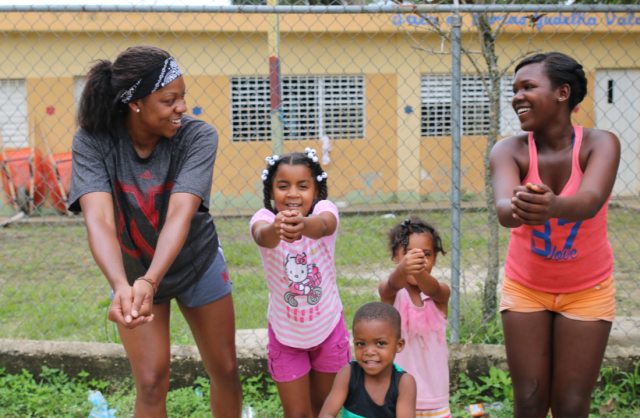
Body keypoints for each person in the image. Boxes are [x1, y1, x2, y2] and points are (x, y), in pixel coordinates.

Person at [69, 46, 242, 418]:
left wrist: (152, 279)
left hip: (197, 261)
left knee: (226, 371)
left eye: (183, 97)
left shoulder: (197, 137)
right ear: (135, 104)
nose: (182, 107)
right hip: (132, 272)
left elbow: (181, 212)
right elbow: (98, 218)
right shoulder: (93, 140)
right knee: (149, 381)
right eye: (169, 99)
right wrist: (122, 285)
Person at [490, 52, 621, 418]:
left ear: (563, 93)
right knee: (529, 401)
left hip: (588, 292)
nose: (517, 96)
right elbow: (503, 210)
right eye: (514, 89)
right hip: (525, 288)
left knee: (571, 405)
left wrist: (552, 207)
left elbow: (591, 201)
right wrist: (517, 206)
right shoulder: (509, 149)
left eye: (528, 87)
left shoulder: (601, 143)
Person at [250, 149, 350, 418]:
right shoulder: (264, 219)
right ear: (271, 192)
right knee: (297, 414)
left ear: (315, 191)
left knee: (325, 409)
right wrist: (277, 229)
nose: (293, 194)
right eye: (283, 186)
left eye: (303, 186)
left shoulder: (325, 211)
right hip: (286, 336)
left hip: (328, 329)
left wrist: (302, 224)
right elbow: (262, 237)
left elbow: (324, 225)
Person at [378, 216, 451, 418]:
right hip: (397, 398)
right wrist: (404, 268)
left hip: (435, 399)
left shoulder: (439, 295)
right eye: (408, 254)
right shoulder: (391, 295)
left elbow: (434, 288)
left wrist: (418, 271)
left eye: (425, 254)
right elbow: (390, 285)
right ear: (396, 256)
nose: (417, 260)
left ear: (435, 258)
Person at [319, 302, 417, 418]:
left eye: (380, 343)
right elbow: (327, 414)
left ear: (399, 345)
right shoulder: (348, 374)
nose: (369, 352)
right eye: (361, 344)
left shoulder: (404, 383)